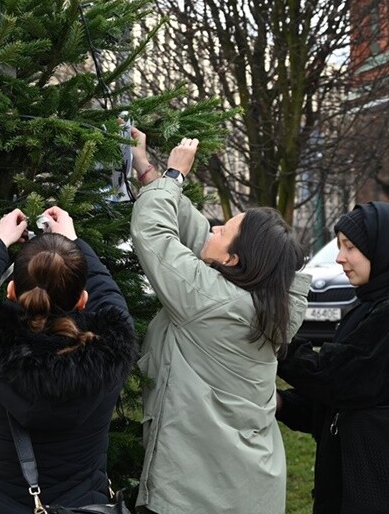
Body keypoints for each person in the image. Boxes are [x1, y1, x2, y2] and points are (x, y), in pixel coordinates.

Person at [130, 130, 310, 514]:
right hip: (246, 488)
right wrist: (149, 173)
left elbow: (154, 235)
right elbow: (195, 232)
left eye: (224, 229)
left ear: (233, 260)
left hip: (198, 497)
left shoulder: (212, 302)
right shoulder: (260, 299)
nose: (214, 228)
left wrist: (175, 177)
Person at [0, 206, 138, 513]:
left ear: (12, 291)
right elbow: (112, 301)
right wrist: (72, 240)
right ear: (83, 299)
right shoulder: (111, 352)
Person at [275, 202, 389, 513]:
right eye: (339, 246)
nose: (340, 257)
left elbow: (337, 381)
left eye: (350, 247)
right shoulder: (370, 304)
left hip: (377, 487)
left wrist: (278, 341)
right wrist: (284, 404)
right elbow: (343, 401)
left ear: (382, 248)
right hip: (352, 479)